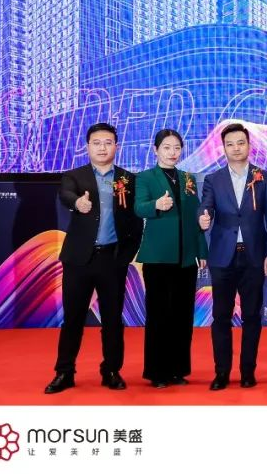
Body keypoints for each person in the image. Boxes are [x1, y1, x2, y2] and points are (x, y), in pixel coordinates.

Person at [45, 123, 143, 394]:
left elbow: (135, 222)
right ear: (87, 147)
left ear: (116, 146)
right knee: (73, 318)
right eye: (97, 143)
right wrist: (78, 203)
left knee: (112, 319)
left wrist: (125, 256)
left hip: (112, 260)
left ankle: (111, 370)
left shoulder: (128, 179)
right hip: (79, 259)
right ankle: (64, 372)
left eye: (108, 143)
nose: (102, 148)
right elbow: (66, 194)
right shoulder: (74, 176)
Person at [197, 123, 267, 390]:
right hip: (223, 257)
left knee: (252, 317)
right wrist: (203, 217)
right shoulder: (214, 179)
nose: (236, 148)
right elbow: (206, 206)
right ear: (223, 148)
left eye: (240, 143)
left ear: (249, 145)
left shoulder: (263, 177)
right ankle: (222, 372)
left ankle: (247, 371)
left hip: (254, 256)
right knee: (221, 316)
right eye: (230, 144)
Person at [133, 129, 207, 388]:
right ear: (156, 150)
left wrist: (201, 251)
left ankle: (178, 370)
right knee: (159, 315)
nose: (172, 152)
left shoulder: (187, 178)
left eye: (177, 147)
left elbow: (196, 216)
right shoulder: (145, 177)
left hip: (186, 258)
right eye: (166, 147)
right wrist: (156, 205)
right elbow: (138, 207)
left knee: (182, 316)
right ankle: (157, 372)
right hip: (158, 258)